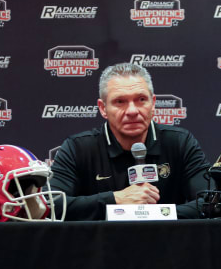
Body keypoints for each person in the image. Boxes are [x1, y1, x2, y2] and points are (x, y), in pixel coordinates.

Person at [50, 62, 210, 220]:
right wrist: (114, 200)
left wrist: (158, 215)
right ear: (103, 108)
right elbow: (51, 205)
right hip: (102, 245)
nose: (132, 111)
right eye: (120, 101)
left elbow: (211, 201)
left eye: (141, 99)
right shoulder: (78, 148)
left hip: (166, 242)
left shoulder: (180, 142)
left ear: (153, 103)